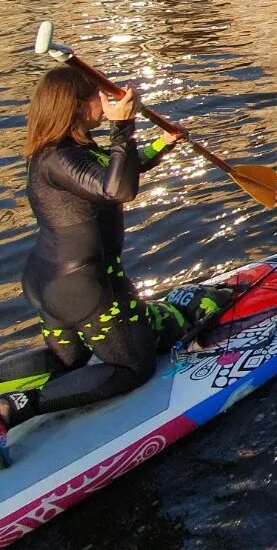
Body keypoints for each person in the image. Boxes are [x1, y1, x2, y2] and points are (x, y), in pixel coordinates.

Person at [0, 65, 186, 466]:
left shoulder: (55, 153)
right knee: (134, 366)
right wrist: (124, 127)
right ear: (78, 106)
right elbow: (118, 188)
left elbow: (112, 169)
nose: (106, 101)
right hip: (88, 287)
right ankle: (15, 408)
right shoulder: (61, 159)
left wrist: (161, 146)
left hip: (49, 282)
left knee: (68, 360)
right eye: (97, 97)